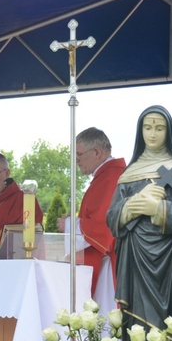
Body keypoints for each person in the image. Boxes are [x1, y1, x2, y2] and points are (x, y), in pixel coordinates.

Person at [106, 105, 172, 341]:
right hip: (136, 263)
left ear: (168, 132)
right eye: (147, 127)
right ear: (140, 132)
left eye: (159, 128)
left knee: (170, 326)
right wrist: (133, 206)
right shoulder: (129, 175)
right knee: (138, 327)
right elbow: (112, 218)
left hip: (171, 264)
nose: (153, 133)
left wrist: (158, 208)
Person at [57, 127, 125, 308]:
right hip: (108, 260)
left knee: (108, 320)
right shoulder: (106, 176)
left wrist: (69, 224)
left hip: (111, 264)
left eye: (79, 154)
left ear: (96, 152)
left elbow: (103, 226)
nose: (76, 160)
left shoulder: (111, 177)